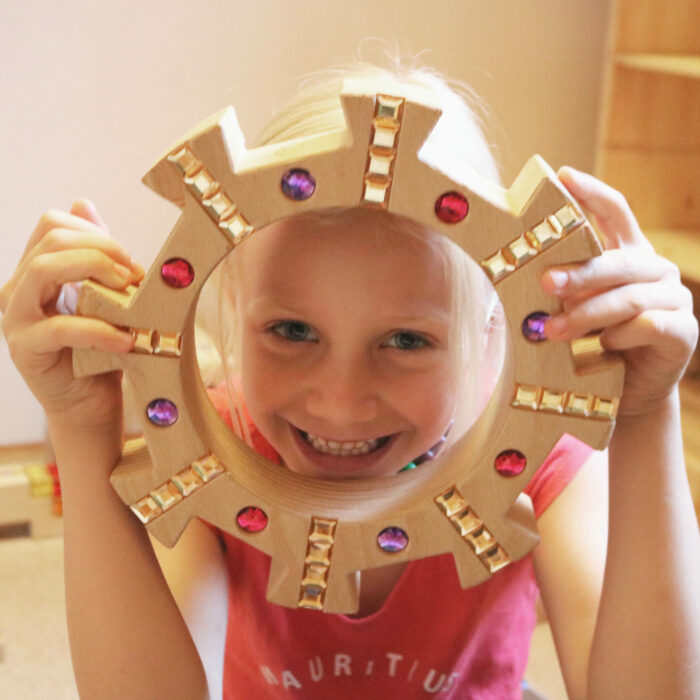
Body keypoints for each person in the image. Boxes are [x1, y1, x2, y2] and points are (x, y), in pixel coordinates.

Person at [1, 61, 699, 700]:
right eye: (293, 331)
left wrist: (646, 416)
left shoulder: (542, 470)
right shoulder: (214, 454)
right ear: (233, 316)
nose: (340, 402)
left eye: (406, 340)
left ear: (497, 334)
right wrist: (80, 429)